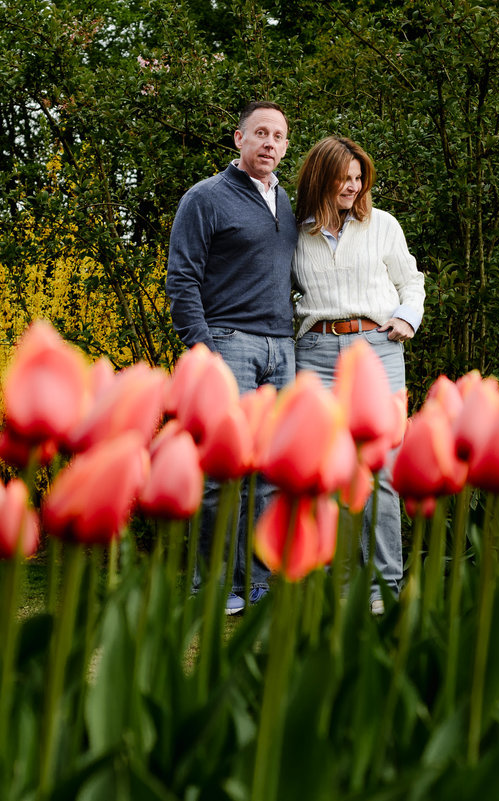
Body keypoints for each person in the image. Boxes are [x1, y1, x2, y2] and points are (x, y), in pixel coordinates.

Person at [165, 101, 296, 614]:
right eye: (260, 133)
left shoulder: (288, 203)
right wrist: (205, 349)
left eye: (279, 136)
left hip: (282, 349)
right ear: (238, 139)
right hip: (229, 343)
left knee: (267, 474)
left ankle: (257, 583)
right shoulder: (206, 198)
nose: (269, 143)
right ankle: (213, 585)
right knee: (222, 473)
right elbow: (182, 279)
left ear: (286, 146)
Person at [291, 136, 425, 615]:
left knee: (383, 471)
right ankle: (341, 584)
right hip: (316, 350)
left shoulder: (382, 224)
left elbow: (411, 280)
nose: (352, 186)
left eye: (357, 177)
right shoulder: (295, 230)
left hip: (377, 348)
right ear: (320, 177)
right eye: (342, 177)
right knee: (331, 471)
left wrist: (408, 317)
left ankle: (384, 586)